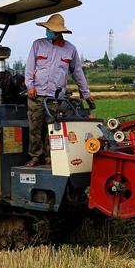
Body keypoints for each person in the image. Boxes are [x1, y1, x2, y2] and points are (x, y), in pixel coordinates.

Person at [24, 13, 92, 167]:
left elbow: (78, 72)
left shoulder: (70, 49)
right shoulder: (38, 45)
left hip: (56, 97)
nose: (47, 32)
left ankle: (51, 158)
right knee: (35, 128)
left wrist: (86, 93)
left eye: (50, 30)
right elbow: (29, 67)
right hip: (37, 94)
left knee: (53, 131)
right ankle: (35, 156)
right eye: (47, 29)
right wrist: (30, 86)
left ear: (59, 32)